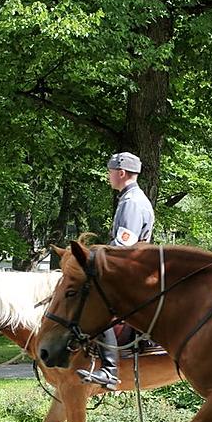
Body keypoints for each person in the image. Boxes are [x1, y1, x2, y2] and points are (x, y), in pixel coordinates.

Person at [76, 151, 155, 390]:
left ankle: (110, 370)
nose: (108, 176)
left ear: (121, 173)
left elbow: (123, 246)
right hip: (132, 269)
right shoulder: (130, 198)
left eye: (110, 171)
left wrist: (94, 258)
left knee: (97, 306)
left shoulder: (132, 202)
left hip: (129, 273)